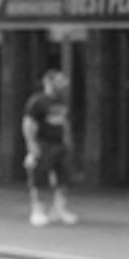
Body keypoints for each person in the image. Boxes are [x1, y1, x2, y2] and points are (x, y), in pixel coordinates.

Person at [22, 69, 79, 227]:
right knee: (38, 177)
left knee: (64, 177)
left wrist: (68, 140)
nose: (63, 85)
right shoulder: (37, 101)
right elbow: (28, 123)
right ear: (49, 82)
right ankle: (37, 210)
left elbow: (64, 122)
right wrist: (31, 144)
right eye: (59, 81)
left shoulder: (61, 102)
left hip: (60, 144)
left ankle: (59, 209)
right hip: (43, 143)